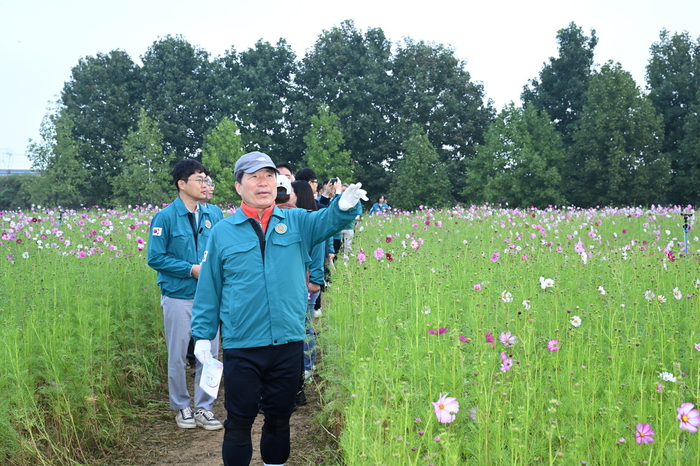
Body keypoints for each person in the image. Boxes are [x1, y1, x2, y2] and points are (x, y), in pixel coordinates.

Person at [190, 151, 366, 466]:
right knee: (239, 421)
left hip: (287, 341)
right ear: (238, 186)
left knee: (279, 419)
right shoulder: (222, 233)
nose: (263, 183)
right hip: (243, 344)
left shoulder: (297, 221)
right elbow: (209, 288)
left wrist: (343, 205)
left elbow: (328, 221)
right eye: (254, 177)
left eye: (269, 176)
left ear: (277, 183)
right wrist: (203, 336)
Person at [147, 158, 223, 431]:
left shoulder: (214, 214)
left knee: (210, 355)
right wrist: (189, 269)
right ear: (182, 184)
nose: (206, 185)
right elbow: (155, 258)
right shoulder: (165, 217)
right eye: (200, 180)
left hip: (208, 297)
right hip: (178, 296)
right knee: (178, 355)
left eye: (207, 180)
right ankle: (182, 406)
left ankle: (205, 408)